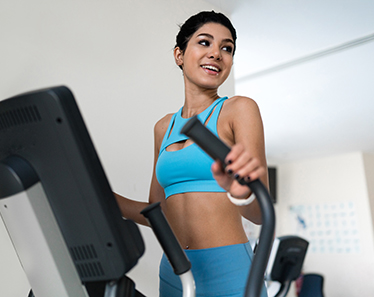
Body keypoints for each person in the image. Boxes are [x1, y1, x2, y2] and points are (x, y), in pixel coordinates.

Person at [115, 10, 268, 297]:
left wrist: (238, 191)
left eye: (227, 48)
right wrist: (104, 198)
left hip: (229, 273)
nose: (217, 54)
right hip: (175, 271)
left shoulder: (239, 110)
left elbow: (261, 213)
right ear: (179, 55)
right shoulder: (163, 127)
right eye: (204, 42)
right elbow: (156, 214)